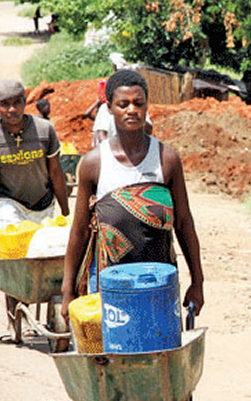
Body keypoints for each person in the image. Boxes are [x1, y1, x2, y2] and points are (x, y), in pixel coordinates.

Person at [61, 69, 204, 325]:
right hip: (109, 285)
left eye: (138, 104)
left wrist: (197, 281)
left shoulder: (166, 159)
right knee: (112, 358)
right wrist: (68, 290)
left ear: (147, 106)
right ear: (109, 108)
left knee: (160, 355)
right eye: (123, 104)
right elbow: (80, 231)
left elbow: (184, 224)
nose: (131, 110)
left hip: (158, 281)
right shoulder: (94, 163)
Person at [0, 79, 70, 341]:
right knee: (13, 260)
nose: (12, 110)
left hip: (43, 202)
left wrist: (65, 212)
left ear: (24, 102)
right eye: (4, 105)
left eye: (16, 102)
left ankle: (49, 315)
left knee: (46, 259)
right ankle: (14, 320)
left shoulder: (43, 130)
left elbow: (56, 173)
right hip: (10, 203)